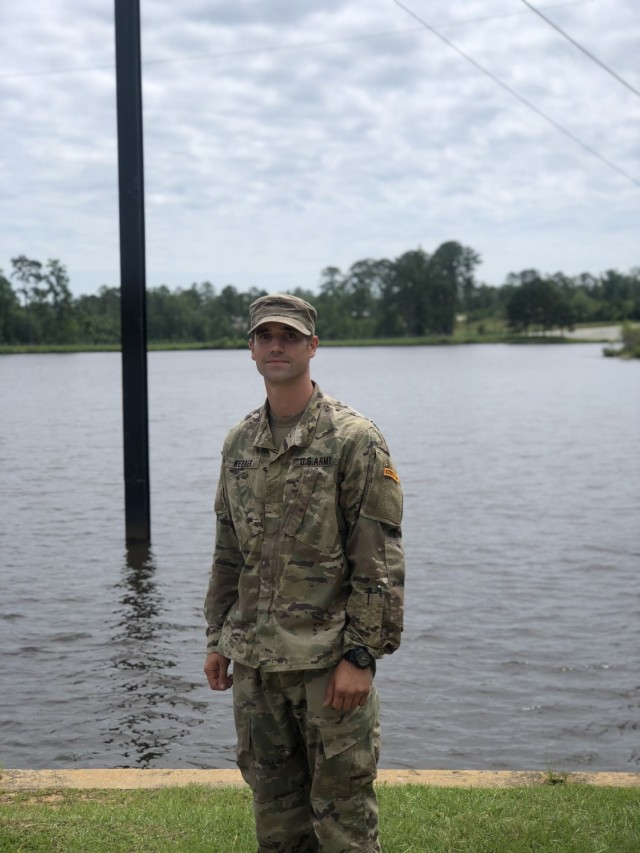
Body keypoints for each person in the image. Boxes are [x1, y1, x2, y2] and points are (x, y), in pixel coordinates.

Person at [204, 293, 405, 853]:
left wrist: (361, 656)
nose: (276, 346)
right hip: (257, 666)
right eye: (265, 336)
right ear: (250, 349)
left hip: (327, 667)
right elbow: (228, 549)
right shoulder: (239, 443)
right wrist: (218, 637)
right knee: (277, 825)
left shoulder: (354, 439)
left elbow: (379, 557)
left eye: (289, 336)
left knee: (344, 827)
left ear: (312, 347)